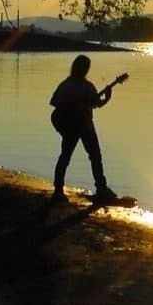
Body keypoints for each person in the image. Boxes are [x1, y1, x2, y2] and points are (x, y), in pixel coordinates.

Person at [48, 54, 118, 205]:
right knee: (67, 156)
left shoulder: (88, 86)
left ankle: (101, 188)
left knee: (95, 156)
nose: (86, 70)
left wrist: (107, 98)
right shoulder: (67, 85)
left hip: (86, 124)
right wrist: (72, 105)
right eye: (85, 67)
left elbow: (96, 104)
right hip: (73, 125)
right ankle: (58, 190)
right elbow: (54, 102)